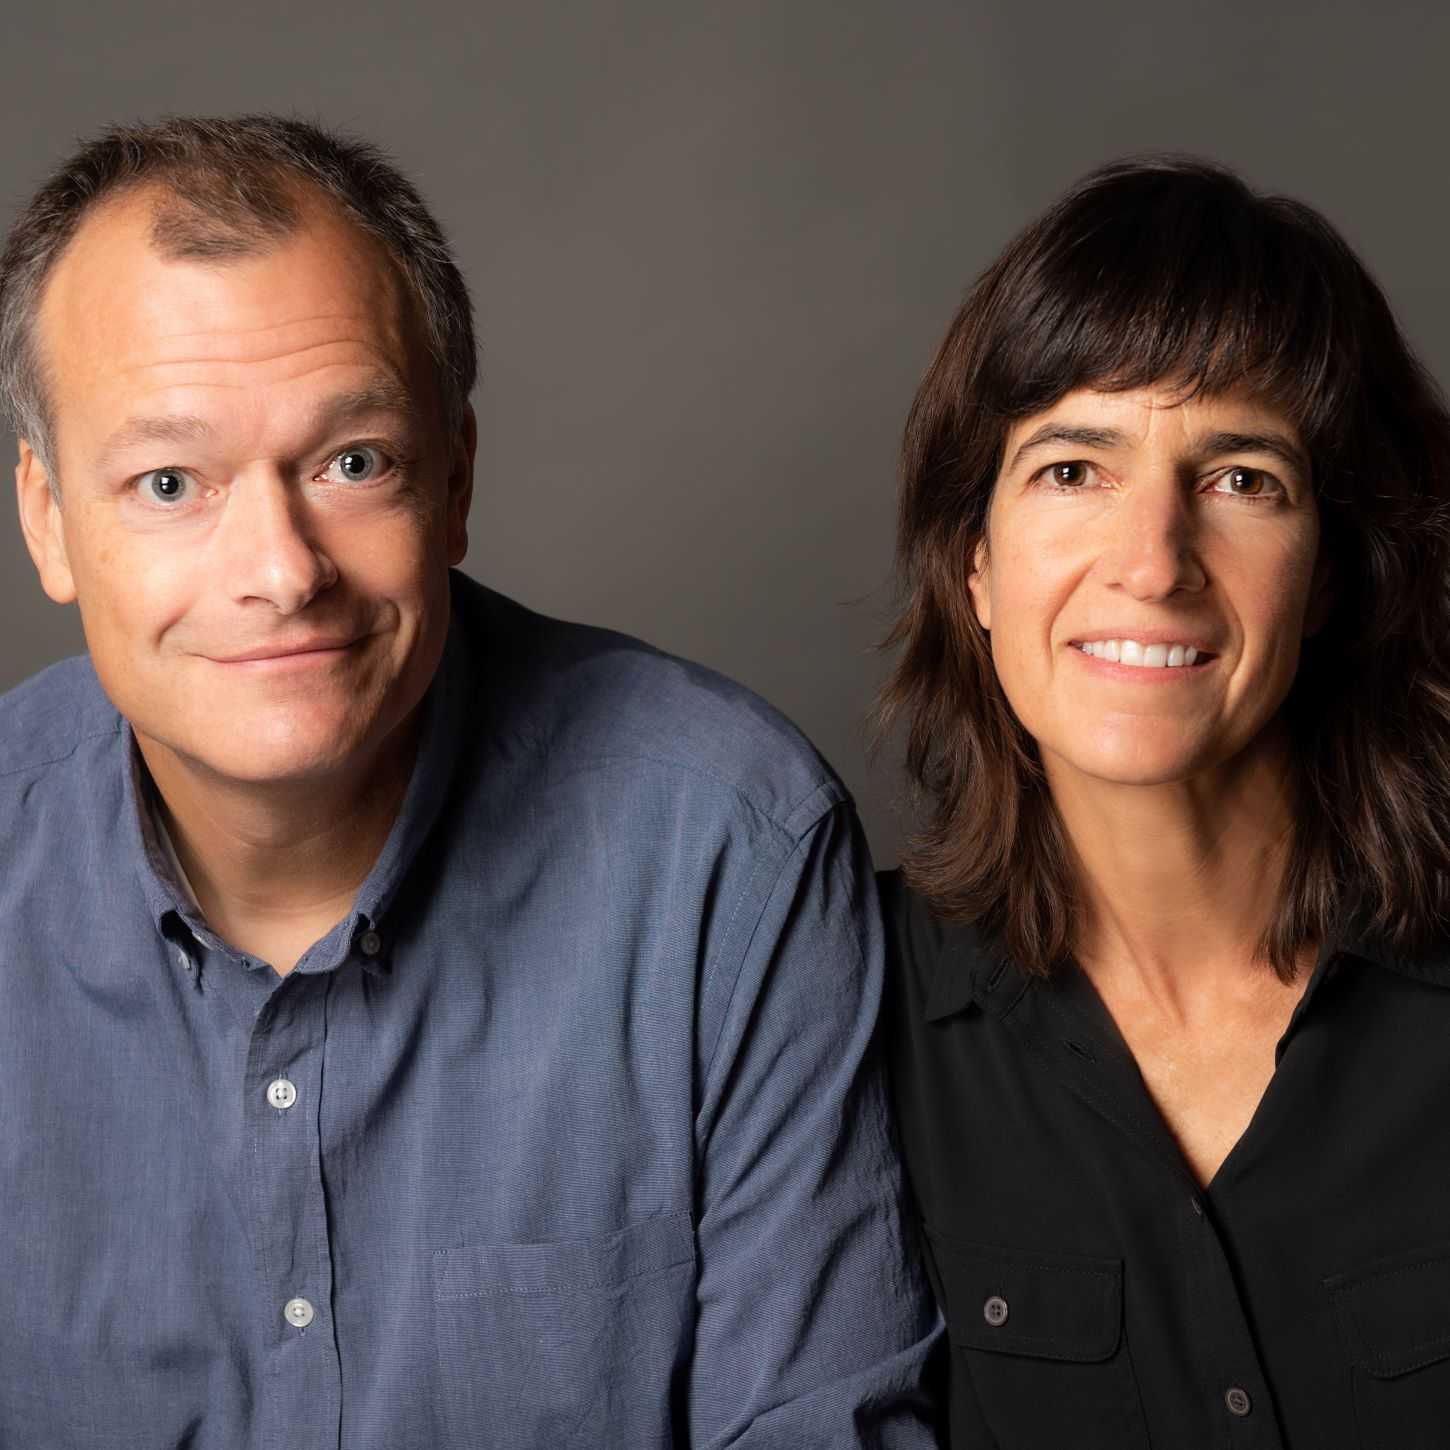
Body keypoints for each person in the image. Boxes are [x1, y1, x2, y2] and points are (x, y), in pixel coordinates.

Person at [0, 115, 939, 1449]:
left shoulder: (725, 845)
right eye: (169, 481)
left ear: (455, 478)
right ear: (47, 517)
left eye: (351, 463)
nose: (280, 569)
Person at [877, 156, 1450, 1448]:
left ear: (1335, 574)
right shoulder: (842, 1027)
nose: (1151, 561)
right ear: (973, 561)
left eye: (1241, 478)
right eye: (1071, 470)